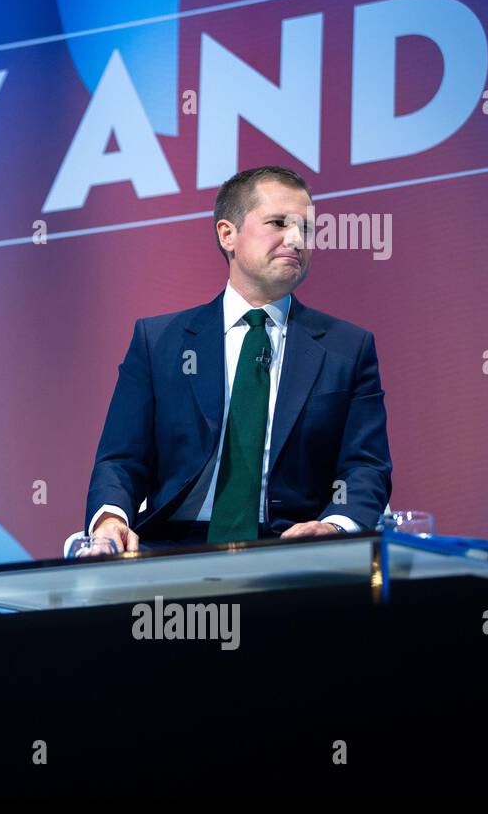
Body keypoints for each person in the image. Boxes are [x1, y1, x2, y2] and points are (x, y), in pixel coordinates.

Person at [83, 166, 392, 552]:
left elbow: (366, 467)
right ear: (227, 234)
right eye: (279, 223)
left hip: (291, 549)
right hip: (173, 545)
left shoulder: (348, 348)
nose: (296, 239)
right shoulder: (158, 341)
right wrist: (111, 519)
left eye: (307, 229)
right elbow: (122, 459)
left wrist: (335, 527)